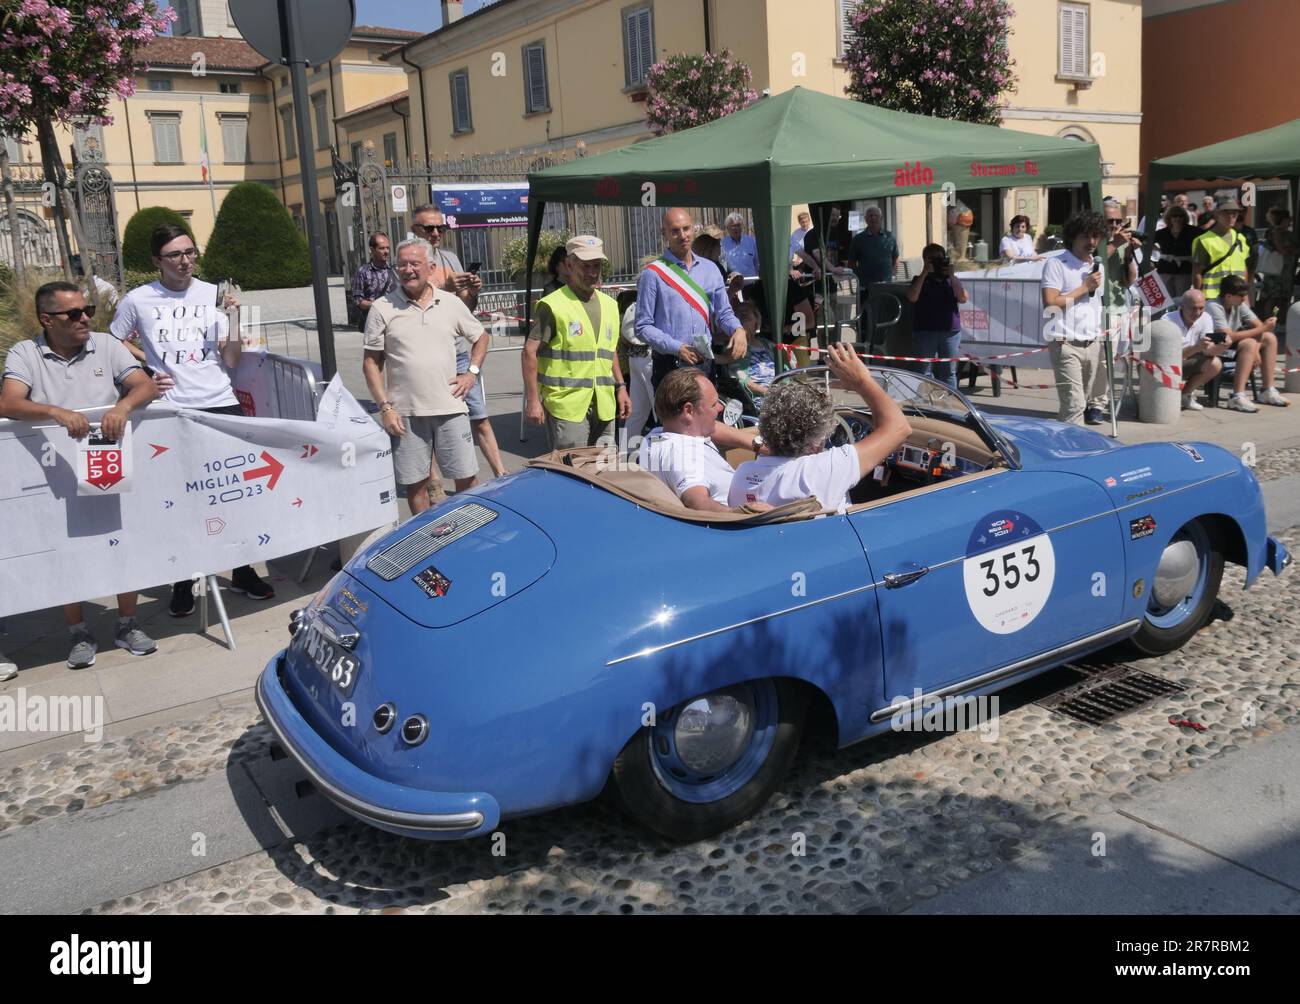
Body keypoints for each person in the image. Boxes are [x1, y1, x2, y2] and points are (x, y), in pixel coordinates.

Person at [110, 224, 276, 613]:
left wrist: (235, 319)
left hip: (220, 401)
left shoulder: (211, 293)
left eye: (190, 252)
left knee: (233, 492)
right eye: (175, 255)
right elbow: (112, 340)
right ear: (157, 261)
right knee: (180, 499)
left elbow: (232, 359)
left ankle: (241, 570)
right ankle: (184, 578)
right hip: (171, 410)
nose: (185, 261)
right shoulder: (138, 299)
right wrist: (146, 372)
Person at [1, 281, 159, 667]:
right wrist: (55, 412)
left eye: (87, 310)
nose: (85, 317)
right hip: (55, 467)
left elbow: (145, 385)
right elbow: (9, 401)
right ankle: (78, 633)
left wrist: (121, 407)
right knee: (65, 548)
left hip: (108, 457)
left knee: (121, 541)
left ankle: (127, 623)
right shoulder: (25, 352)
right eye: (73, 314)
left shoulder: (106, 344)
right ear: (47, 319)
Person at [363, 237, 487, 513]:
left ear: (431, 267)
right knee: (415, 485)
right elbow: (371, 363)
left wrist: (471, 374)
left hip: (451, 407)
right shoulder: (382, 308)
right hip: (405, 414)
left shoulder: (451, 303)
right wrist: (385, 407)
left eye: (415, 263)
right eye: (402, 264)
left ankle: (463, 534)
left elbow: (481, 337)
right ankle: (424, 540)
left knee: (467, 478)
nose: (408, 269)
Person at [729, 343, 910, 510]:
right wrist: (861, 381)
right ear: (815, 444)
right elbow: (900, 427)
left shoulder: (742, 475)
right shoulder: (822, 470)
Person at [408, 204, 505, 480]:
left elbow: (464, 310)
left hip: (459, 355)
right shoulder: (407, 261)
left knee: (479, 416)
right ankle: (434, 483)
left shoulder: (449, 259)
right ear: (415, 229)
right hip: (426, 357)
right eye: (429, 228)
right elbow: (413, 302)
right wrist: (445, 288)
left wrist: (471, 291)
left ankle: (501, 473)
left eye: (441, 227)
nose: (436, 233)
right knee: (432, 422)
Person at [523, 235, 631, 448]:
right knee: (572, 472)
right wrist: (533, 401)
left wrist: (621, 387)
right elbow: (529, 352)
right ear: (569, 265)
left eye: (597, 266)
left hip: (604, 404)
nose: (592, 272)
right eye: (585, 266)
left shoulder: (610, 305)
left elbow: (609, 352)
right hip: (567, 406)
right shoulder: (552, 305)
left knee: (604, 471)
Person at [635, 207, 747, 390]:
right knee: (673, 419)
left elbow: (724, 313)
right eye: (675, 231)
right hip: (670, 365)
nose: (682, 235)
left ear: (693, 229)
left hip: (704, 363)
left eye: (686, 228)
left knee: (707, 417)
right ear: (665, 234)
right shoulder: (653, 274)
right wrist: (677, 347)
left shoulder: (710, 269)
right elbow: (642, 326)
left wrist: (738, 329)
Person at [638, 368, 766, 512]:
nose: (720, 407)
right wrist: (746, 514)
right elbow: (696, 501)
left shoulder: (658, 435)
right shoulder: (684, 456)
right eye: (713, 404)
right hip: (743, 524)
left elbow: (712, 427)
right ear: (689, 411)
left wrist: (758, 444)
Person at [1041, 209, 1106, 426]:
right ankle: (1073, 455)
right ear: (1073, 236)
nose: (1091, 241)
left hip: (1092, 344)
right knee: (1074, 406)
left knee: (1080, 404)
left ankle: (1062, 446)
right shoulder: (1057, 264)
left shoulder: (1097, 267)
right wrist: (1083, 287)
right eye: (1085, 236)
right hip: (1066, 344)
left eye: (1096, 235)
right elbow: (1050, 303)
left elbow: (1095, 303)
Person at [1206, 274, 1289, 412]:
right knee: (1250, 342)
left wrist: (1257, 349)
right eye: (1241, 296)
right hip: (1216, 346)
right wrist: (1262, 329)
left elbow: (1258, 326)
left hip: (1232, 344)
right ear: (1228, 296)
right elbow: (1229, 336)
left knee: (1269, 338)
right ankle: (1237, 395)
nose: (1244, 299)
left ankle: (1267, 390)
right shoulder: (1214, 306)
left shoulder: (1239, 304)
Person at [905, 243, 968, 390]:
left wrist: (952, 276)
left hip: (950, 332)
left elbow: (963, 298)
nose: (936, 261)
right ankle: (923, 405)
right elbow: (912, 297)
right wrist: (924, 273)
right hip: (925, 330)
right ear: (925, 260)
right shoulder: (919, 279)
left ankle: (951, 407)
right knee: (923, 371)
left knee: (948, 372)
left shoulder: (951, 280)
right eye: (931, 258)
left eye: (939, 258)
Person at [1163, 290, 1227, 411]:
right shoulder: (1167, 320)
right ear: (1181, 307)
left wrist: (1220, 347)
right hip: (1168, 363)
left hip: (1190, 360)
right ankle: (1170, 396)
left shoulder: (1206, 317)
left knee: (1215, 363)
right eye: (1193, 308)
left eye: (1201, 308)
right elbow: (1169, 356)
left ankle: (1185, 395)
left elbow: (1207, 350)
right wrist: (1197, 347)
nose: (1197, 312)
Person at [1192, 198, 1251, 303]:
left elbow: (1244, 268)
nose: (1230, 217)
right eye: (1226, 213)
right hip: (1214, 297)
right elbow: (1197, 273)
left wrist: (1245, 295)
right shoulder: (1204, 240)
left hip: (1238, 296)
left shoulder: (1240, 238)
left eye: (1234, 214)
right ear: (1216, 214)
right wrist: (1199, 298)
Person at [618, 286, 653, 444]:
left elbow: (625, 335)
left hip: (637, 356)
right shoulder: (650, 301)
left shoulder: (636, 304)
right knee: (662, 410)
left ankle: (626, 454)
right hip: (649, 357)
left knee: (638, 412)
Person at [1255, 210, 1298, 322]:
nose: (1290, 221)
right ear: (1283, 220)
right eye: (1288, 218)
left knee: (1282, 298)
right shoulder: (1276, 232)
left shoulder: (1285, 233)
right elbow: (1281, 250)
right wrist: (1294, 250)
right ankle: (1270, 320)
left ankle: (1279, 320)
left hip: (1284, 271)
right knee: (1274, 298)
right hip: (1277, 272)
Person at [351, 232, 395, 333]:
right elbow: (358, 300)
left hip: (393, 322)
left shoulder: (395, 270)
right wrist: (379, 305)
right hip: (373, 324)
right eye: (382, 248)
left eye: (387, 248)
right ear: (372, 250)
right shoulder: (363, 272)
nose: (386, 251)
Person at [1152, 205, 1196, 301]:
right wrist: (1158, 250)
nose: (1178, 218)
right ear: (1169, 218)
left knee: (1181, 300)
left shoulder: (1192, 231)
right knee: (1166, 300)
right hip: (1165, 269)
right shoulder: (1162, 232)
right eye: (1174, 216)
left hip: (1184, 270)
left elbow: (1205, 238)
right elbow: (1146, 242)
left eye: (1181, 216)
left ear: (1185, 217)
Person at [721, 212, 760, 280]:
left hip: (750, 283)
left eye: (738, 225)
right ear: (727, 228)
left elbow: (757, 262)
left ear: (742, 227)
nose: (736, 228)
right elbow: (722, 264)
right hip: (733, 285)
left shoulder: (751, 242)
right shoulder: (722, 244)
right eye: (733, 226)